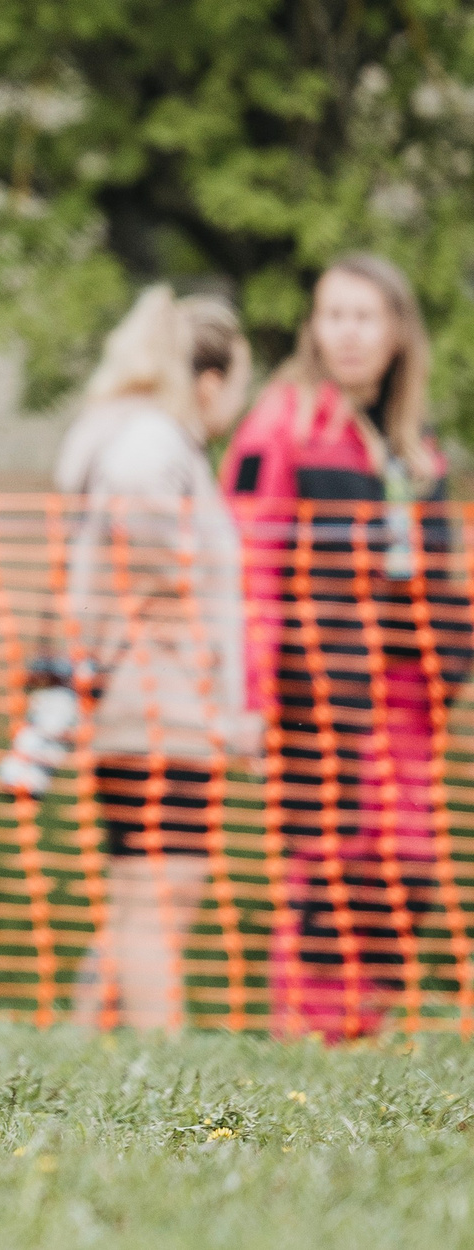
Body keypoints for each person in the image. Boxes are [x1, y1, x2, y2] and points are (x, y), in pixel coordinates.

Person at [223, 254, 468, 1041]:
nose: (349, 333)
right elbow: (247, 569)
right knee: (328, 867)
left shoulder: (413, 445)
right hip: (318, 693)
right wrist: (250, 701)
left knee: (408, 869)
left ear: (398, 332)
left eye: (366, 317)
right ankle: (309, 1034)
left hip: (408, 702)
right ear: (315, 329)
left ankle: (367, 1028)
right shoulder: (283, 424)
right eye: (334, 315)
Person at [49, 288, 259, 1033]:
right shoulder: (156, 444)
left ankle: (79, 1043)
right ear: (209, 381)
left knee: (140, 897)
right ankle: (163, 1055)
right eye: (239, 381)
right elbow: (144, 528)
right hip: (161, 706)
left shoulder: (139, 436)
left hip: (145, 704)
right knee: (162, 899)